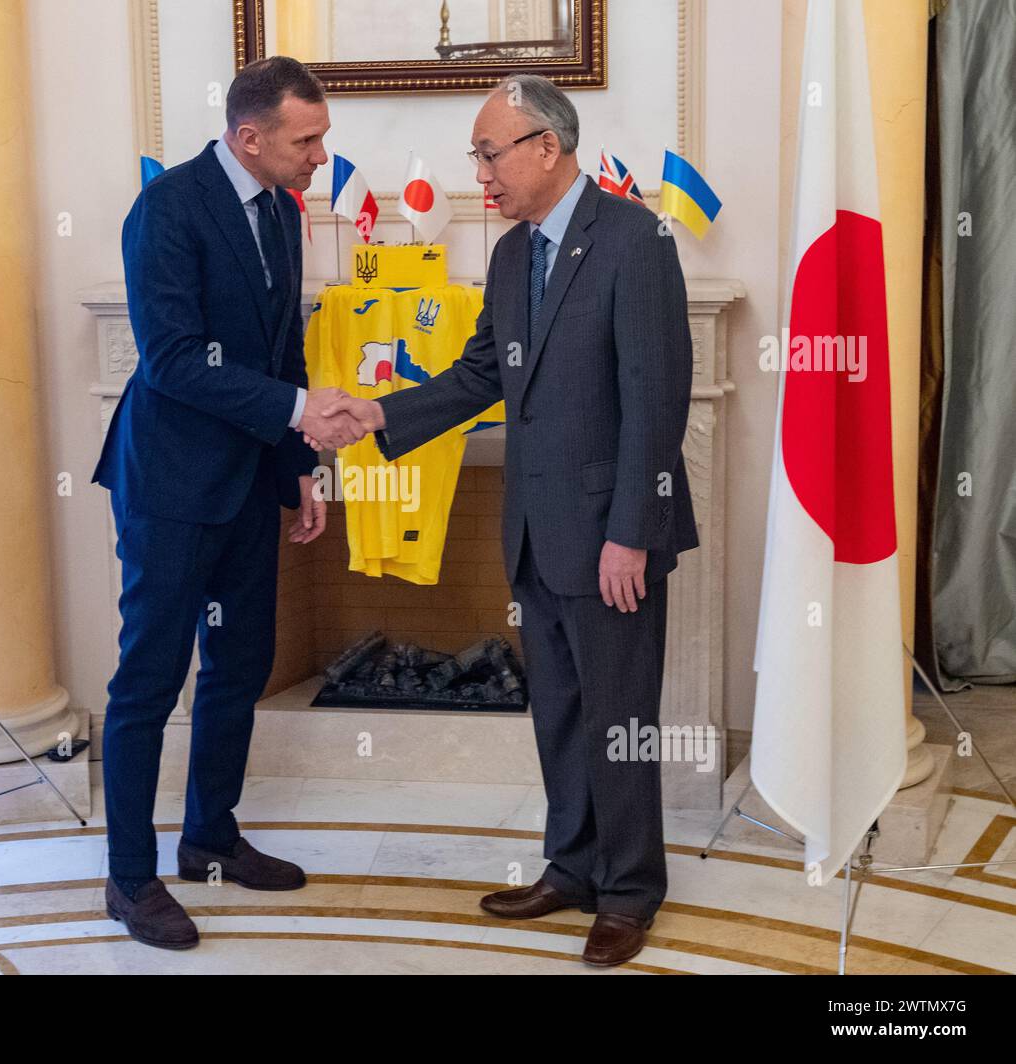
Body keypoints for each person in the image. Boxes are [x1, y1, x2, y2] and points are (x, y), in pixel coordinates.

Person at [309, 74, 699, 967]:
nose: (480, 174)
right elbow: (481, 373)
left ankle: (631, 890)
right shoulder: (516, 253)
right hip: (533, 530)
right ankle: (572, 868)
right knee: (558, 711)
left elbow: (655, 403)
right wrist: (377, 416)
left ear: (546, 149)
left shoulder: (635, 242)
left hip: (611, 538)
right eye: (477, 157)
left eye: (489, 154)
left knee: (618, 717)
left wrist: (631, 532)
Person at [91, 56, 368, 950]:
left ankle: (209, 839)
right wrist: (296, 413)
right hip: (171, 486)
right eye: (307, 140)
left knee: (239, 667)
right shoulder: (166, 210)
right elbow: (172, 360)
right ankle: (130, 880)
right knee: (148, 682)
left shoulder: (283, 214)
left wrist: (297, 468)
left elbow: (282, 346)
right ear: (249, 137)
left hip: (252, 481)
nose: (321, 156)